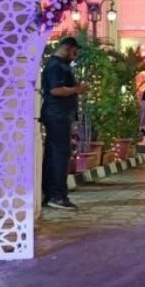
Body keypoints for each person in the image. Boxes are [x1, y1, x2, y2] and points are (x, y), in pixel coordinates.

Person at [40, 37, 88, 213]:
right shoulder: (56, 66)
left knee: (55, 155)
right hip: (56, 115)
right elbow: (55, 90)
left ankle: (51, 193)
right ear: (67, 48)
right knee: (60, 155)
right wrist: (77, 89)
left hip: (60, 115)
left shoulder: (60, 65)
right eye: (74, 53)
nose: (74, 57)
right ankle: (57, 195)